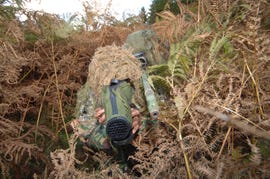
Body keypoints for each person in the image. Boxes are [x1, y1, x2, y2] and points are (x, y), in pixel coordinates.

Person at [71, 29, 168, 153]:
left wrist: (142, 124)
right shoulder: (103, 82)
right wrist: (107, 132)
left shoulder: (161, 81)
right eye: (137, 60)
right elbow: (83, 130)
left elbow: (169, 122)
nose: (141, 67)